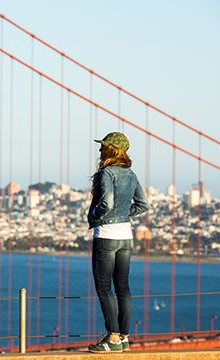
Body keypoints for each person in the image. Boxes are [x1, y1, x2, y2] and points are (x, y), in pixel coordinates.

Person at [87, 132, 149, 353]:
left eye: (103, 146)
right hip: (126, 236)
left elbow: (107, 202)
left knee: (104, 288)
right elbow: (143, 205)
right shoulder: (130, 174)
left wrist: (96, 214)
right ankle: (123, 337)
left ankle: (112, 338)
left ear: (111, 150)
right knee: (123, 288)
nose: (100, 150)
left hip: (106, 235)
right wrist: (124, 215)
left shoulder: (106, 173)